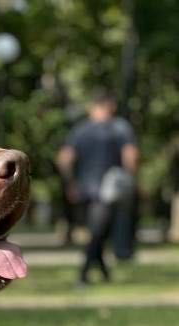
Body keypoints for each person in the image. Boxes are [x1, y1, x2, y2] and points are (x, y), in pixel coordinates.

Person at [57, 92, 139, 285]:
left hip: (85, 190)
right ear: (110, 107)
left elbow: (64, 159)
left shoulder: (80, 130)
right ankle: (83, 275)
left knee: (98, 231)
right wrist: (131, 179)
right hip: (109, 191)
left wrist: (70, 183)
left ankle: (104, 274)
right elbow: (131, 156)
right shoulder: (119, 127)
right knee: (97, 234)